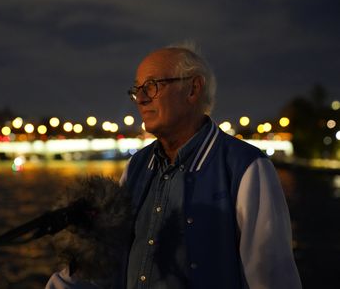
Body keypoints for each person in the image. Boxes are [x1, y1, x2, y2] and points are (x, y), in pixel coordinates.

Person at [46, 44, 302, 289]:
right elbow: (108, 262)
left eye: (152, 86)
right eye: (137, 90)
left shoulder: (247, 167)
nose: (141, 99)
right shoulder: (136, 165)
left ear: (193, 89)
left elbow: (271, 277)